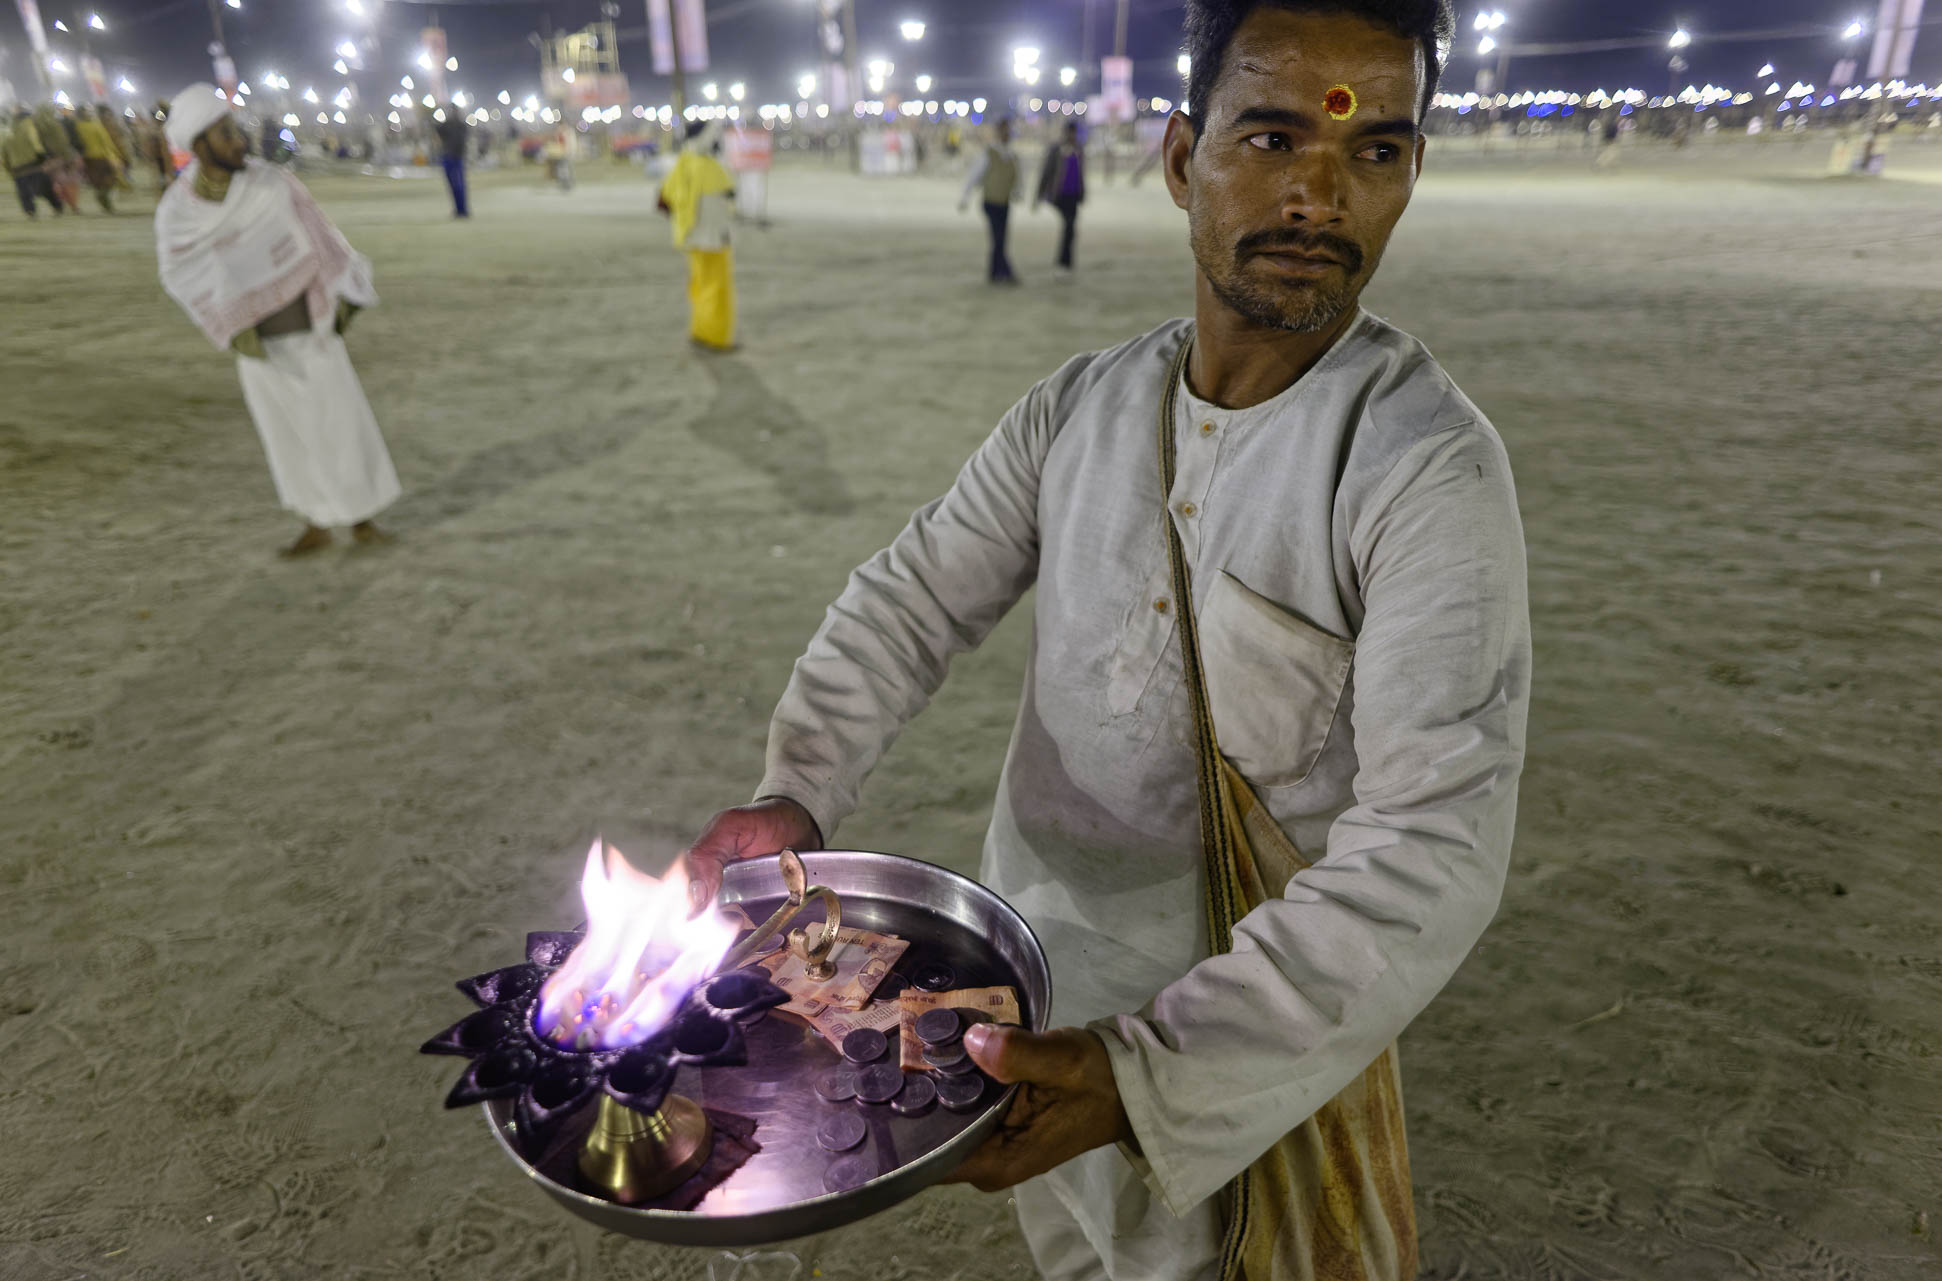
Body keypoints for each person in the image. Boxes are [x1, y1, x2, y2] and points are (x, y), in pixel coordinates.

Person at [680, 1, 1528, 1278]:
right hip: (1023, 989)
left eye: (1374, 152)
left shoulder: (1423, 468)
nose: (1318, 196)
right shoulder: (1080, 410)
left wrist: (1150, 1076)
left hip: (1238, 1045)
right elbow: (911, 601)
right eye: (1271, 139)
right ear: (1183, 159)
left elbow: (1433, 840)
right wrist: (794, 790)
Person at [155, 84, 401, 557]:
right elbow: (180, 271)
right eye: (225, 134)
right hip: (256, 344)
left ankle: (362, 518)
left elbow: (322, 238)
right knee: (287, 435)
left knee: (341, 424)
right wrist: (230, 323)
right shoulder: (177, 212)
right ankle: (315, 520)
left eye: (235, 129)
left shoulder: (273, 184)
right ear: (199, 145)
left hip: (311, 329)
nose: (238, 141)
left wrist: (343, 296)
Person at [657, 120, 737, 352]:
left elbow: (670, 196)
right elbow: (726, 199)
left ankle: (700, 331)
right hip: (713, 239)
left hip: (692, 236)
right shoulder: (708, 166)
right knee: (717, 290)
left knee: (699, 286)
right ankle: (716, 337)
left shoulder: (683, 163)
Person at [958, 117, 1021, 283]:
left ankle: (994, 272)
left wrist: (1017, 192)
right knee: (998, 237)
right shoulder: (989, 154)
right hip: (990, 202)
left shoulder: (1012, 155)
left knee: (1001, 238)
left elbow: (1017, 178)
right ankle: (1005, 272)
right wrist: (965, 196)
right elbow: (975, 175)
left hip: (1004, 202)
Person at [1034, 119, 1088, 271]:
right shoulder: (1056, 150)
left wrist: (1083, 193)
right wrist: (1039, 194)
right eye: (1069, 132)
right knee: (1069, 225)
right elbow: (1046, 172)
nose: (1071, 136)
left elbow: (1081, 175)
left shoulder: (1079, 150)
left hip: (1074, 196)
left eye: (1073, 133)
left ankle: (1066, 262)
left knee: (1071, 228)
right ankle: (1063, 262)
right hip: (1060, 195)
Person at [5, 107, 67, 218]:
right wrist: (42, 155)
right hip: (32, 163)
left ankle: (30, 211)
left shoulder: (9, 130)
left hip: (17, 167)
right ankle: (57, 206)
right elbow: (34, 141)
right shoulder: (29, 125)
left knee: (23, 191)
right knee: (45, 187)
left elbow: (4, 151)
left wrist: (8, 166)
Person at [75, 105, 126, 213]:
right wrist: (114, 154)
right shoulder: (90, 125)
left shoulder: (83, 125)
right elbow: (105, 141)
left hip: (94, 157)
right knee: (106, 180)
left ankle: (104, 199)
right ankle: (104, 200)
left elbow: (105, 140)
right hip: (98, 158)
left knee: (102, 181)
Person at [434, 104, 469, 218]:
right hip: (450, 156)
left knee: (458, 184)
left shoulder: (460, 125)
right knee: (454, 185)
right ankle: (459, 209)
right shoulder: (448, 125)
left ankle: (462, 209)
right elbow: (437, 131)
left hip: (455, 157)